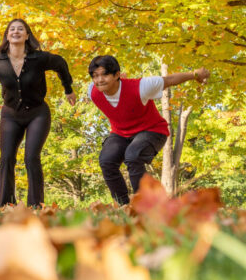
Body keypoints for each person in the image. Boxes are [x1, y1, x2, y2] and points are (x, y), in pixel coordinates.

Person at [88, 55, 210, 205]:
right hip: (120, 133)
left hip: (152, 130)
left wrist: (195, 74)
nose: (99, 80)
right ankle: (124, 205)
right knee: (106, 161)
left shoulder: (141, 86)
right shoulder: (92, 92)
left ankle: (145, 205)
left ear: (116, 74)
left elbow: (169, 80)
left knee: (133, 156)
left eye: (105, 74)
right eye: (95, 76)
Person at [0, 18, 76, 208]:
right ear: (7, 35)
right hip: (10, 114)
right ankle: (5, 205)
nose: (16, 32)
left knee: (31, 157)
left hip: (37, 114)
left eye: (21, 29)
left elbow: (60, 63)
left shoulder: (39, 58)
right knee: (7, 157)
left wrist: (68, 88)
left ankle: (36, 206)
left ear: (27, 35)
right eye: (12, 29)